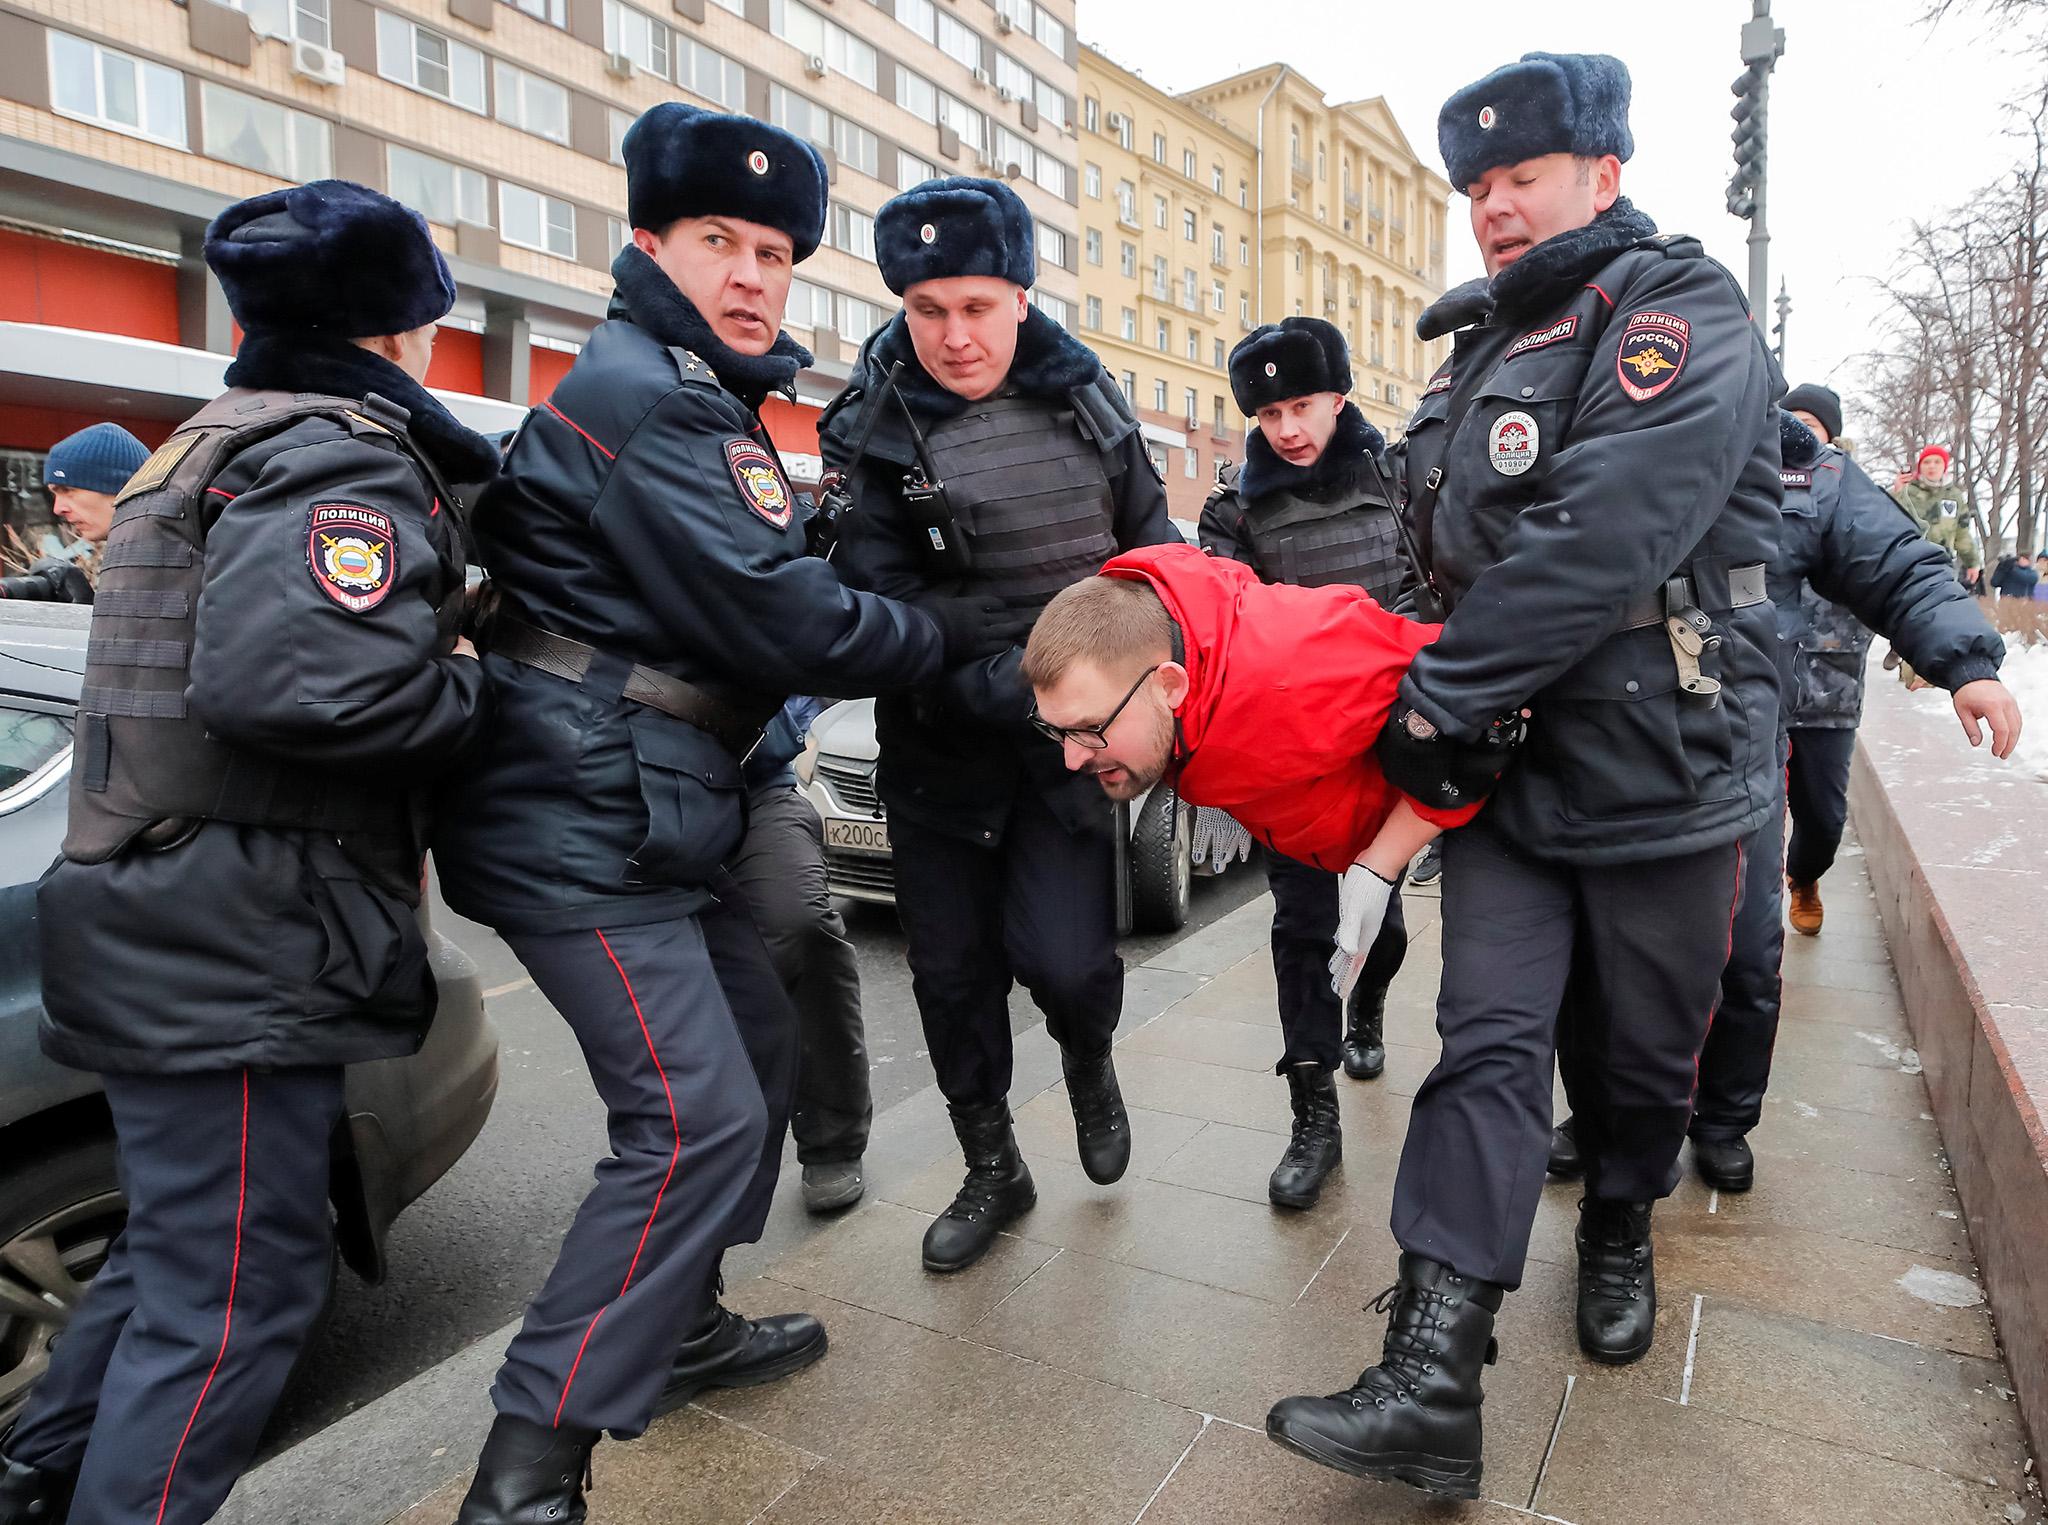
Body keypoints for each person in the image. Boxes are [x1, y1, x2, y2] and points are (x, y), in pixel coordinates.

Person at [429, 106, 1023, 1523]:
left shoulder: (691, 388)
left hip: (646, 798)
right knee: (690, 1117)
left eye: (774, 250)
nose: (754, 274)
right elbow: (785, 617)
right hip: (580, 816)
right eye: (719, 242)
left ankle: (678, 1321)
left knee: (757, 1048)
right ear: (650, 243)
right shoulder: (657, 399)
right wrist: (956, 634)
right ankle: (529, 1466)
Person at [1257, 53, 1784, 1500]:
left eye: (1522, 179)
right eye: (1476, 188)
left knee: (1635, 1059)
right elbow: (1431, 562)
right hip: (1509, 776)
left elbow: (1602, 535)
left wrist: (1437, 699)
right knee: (1484, 1042)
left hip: (1663, 775)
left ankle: (1620, 1219)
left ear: (1602, 176)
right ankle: (1434, 1367)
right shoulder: (1475, 355)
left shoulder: (1679, 315)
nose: (1493, 210)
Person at [0, 180, 494, 1525]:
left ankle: (41, 1481)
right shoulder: (335, 453)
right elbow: (311, 691)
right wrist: (464, 676)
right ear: (403, 332)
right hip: (227, 938)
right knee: (243, 1289)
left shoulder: (208, 439)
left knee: (179, 1265)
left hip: (172, 917)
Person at [822, 177, 1177, 1275]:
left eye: (975, 306)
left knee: (1068, 966)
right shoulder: (871, 422)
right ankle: (992, 1167)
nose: (952, 335)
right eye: (927, 309)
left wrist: (1128, 673)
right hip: (936, 757)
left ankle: (1088, 1059)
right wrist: (995, 658)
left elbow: (1154, 553)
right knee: (949, 979)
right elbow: (863, 599)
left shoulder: (1087, 402)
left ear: (1019, 296)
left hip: (1062, 761)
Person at [1554, 409, 2018, 1192]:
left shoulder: (1804, 468)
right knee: (1609, 959)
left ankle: (1725, 1115)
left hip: (1738, 754)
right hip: (1613, 749)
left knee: (1744, 949)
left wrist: (1963, 659)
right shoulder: (1600, 428)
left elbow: (1896, 561)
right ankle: (1605, 1112)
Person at [1198, 317, 1409, 1210]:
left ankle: (1367, 1002)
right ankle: (1311, 1112)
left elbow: (1428, 593)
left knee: (1383, 928)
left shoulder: (1400, 482)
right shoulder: (1235, 509)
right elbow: (1225, 624)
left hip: (1393, 744)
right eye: (1272, 410)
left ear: (1341, 398)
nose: (1288, 426)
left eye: (1304, 405)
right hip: (1297, 755)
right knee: (1302, 929)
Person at [729, 696, 872, 1212]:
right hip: (620, 805)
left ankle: (831, 1137)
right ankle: (676, 1147)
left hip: (752, 786)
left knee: (801, 926)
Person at [0, 423, 148, 603]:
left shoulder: (175, 565)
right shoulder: (132, 561)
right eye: (54, 493)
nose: (57, 509)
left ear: (122, 487)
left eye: (68, 490)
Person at [1895, 444, 1982, 579]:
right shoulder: (1907, 492)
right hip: (1909, 565)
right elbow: (1890, 522)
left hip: (1942, 565)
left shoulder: (1954, 496)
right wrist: (1897, 493)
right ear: (1920, 467)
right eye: (1927, 462)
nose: (1932, 466)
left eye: (1937, 462)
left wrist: (1973, 562)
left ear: (1944, 466)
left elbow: (1961, 533)